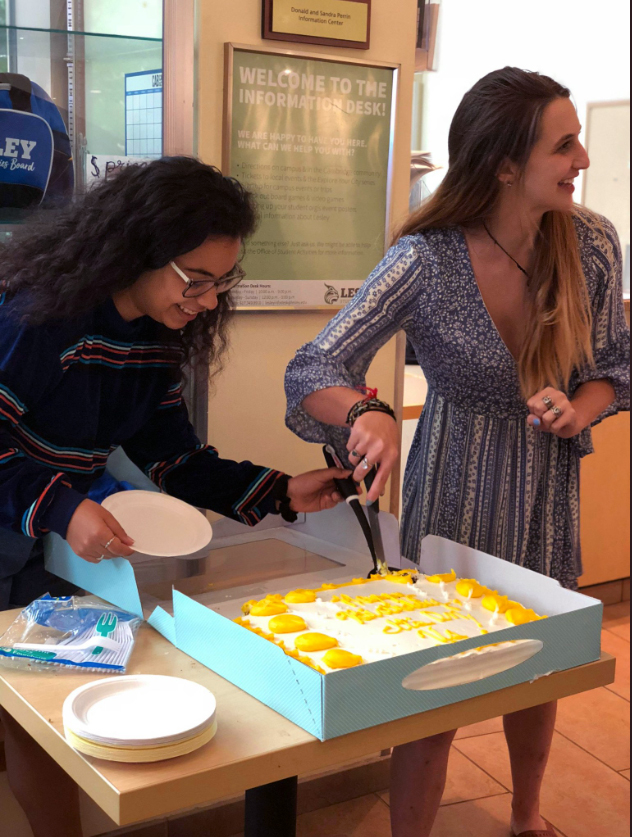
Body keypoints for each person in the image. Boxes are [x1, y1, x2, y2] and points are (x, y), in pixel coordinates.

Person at [285, 67, 630, 837]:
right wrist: (366, 411)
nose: (582, 159)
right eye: (563, 145)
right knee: (435, 678)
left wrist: (579, 408)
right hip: (454, 486)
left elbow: (616, 364)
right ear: (506, 163)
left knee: (540, 659)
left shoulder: (593, 241)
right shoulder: (426, 257)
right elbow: (313, 368)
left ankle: (526, 816)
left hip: (547, 483)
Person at [0, 157, 349, 837]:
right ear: (137, 248)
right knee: (26, 705)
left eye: (223, 282)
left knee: (46, 697)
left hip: (52, 533)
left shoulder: (155, 338)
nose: (210, 300)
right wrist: (64, 507)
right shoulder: (39, 318)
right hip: (17, 520)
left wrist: (281, 492)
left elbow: (178, 459)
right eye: (198, 280)